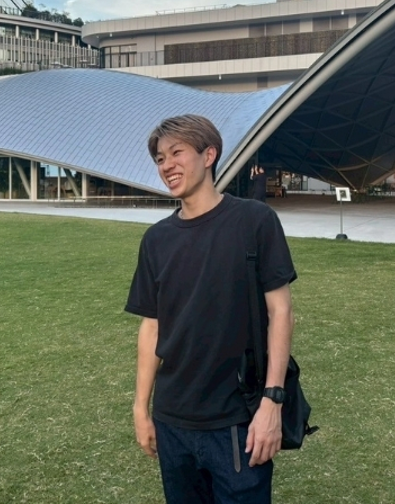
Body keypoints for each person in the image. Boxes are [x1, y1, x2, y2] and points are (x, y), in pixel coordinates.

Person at [126, 114, 298, 504]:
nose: (166, 165)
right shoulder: (156, 240)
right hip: (173, 422)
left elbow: (281, 313)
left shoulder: (255, 221)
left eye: (176, 153)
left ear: (209, 155)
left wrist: (272, 402)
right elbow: (152, 327)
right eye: (159, 158)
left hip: (236, 421)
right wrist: (140, 408)